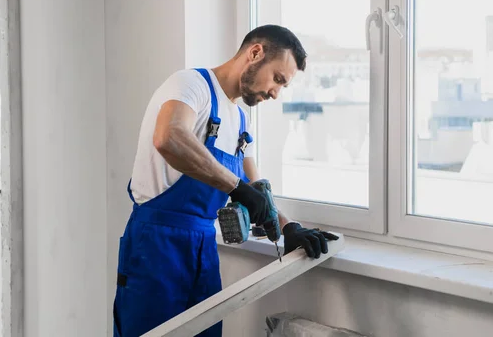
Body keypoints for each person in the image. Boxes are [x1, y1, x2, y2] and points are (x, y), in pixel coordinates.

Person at [112, 24, 339, 337]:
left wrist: (288, 226)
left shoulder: (239, 119)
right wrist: (238, 188)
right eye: (277, 79)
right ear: (255, 52)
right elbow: (169, 137)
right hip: (156, 245)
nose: (276, 93)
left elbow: (255, 187)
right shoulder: (191, 85)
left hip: (203, 248)